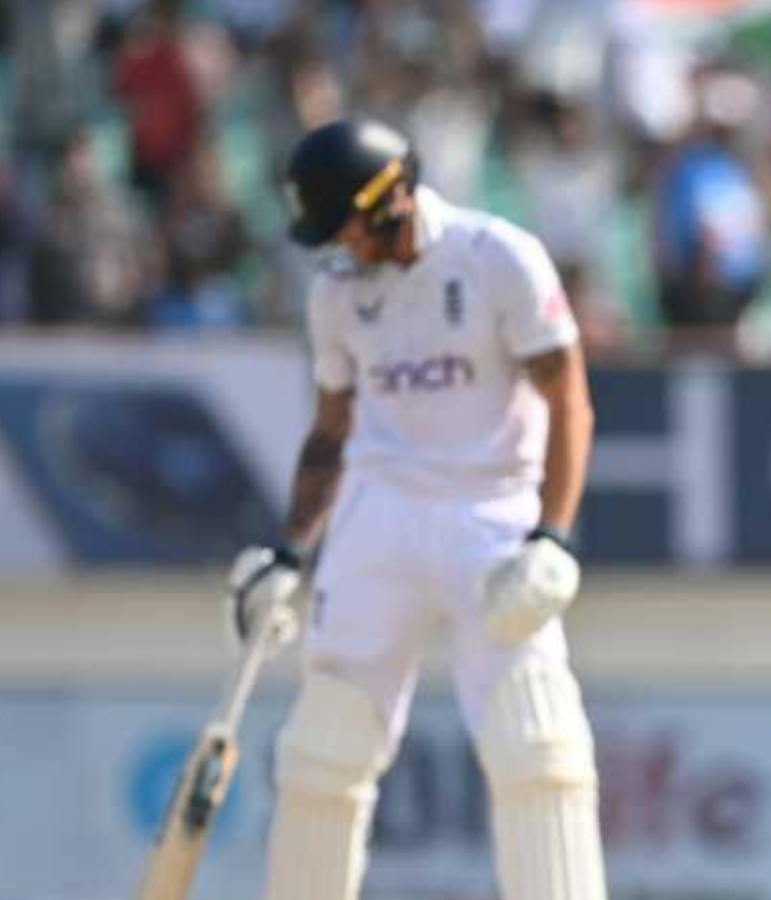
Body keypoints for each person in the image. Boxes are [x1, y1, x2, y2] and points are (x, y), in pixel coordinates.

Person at [226, 118, 606, 900]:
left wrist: (554, 538)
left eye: (347, 229)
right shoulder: (336, 295)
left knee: (536, 744)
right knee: (321, 751)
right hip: (379, 514)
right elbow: (331, 432)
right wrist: (288, 552)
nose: (342, 250)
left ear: (390, 198)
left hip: (492, 513)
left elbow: (568, 399)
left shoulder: (496, 256)